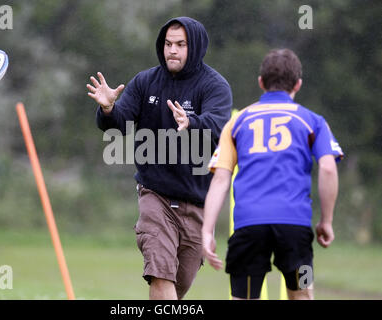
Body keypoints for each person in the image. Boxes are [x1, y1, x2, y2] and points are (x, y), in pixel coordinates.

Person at [86, 17, 233, 300]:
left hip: (196, 204)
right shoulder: (146, 82)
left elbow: (218, 127)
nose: (172, 51)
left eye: (180, 44)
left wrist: (192, 122)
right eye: (168, 44)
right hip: (155, 197)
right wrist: (107, 109)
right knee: (161, 274)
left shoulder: (215, 86)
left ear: (197, 47)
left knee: (175, 289)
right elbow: (119, 122)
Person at [202, 48, 343, 300]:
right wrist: (326, 221)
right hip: (296, 230)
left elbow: (221, 179)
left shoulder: (237, 122)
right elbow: (329, 168)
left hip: (248, 228)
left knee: (243, 297)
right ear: (298, 84)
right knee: (302, 293)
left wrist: (207, 230)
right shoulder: (313, 121)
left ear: (260, 82)